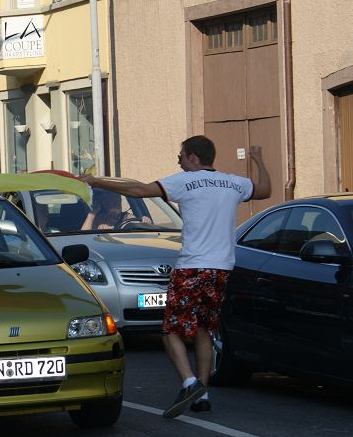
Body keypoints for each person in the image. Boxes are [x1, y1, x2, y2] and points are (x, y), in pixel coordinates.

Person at [83, 135, 271, 418]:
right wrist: (257, 160)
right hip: (221, 268)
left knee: (170, 331)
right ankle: (202, 394)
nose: (179, 161)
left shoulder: (184, 181)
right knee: (205, 330)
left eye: (181, 156)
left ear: (194, 158)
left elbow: (138, 190)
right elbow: (266, 190)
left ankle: (189, 381)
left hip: (192, 267)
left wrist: (96, 182)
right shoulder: (234, 183)